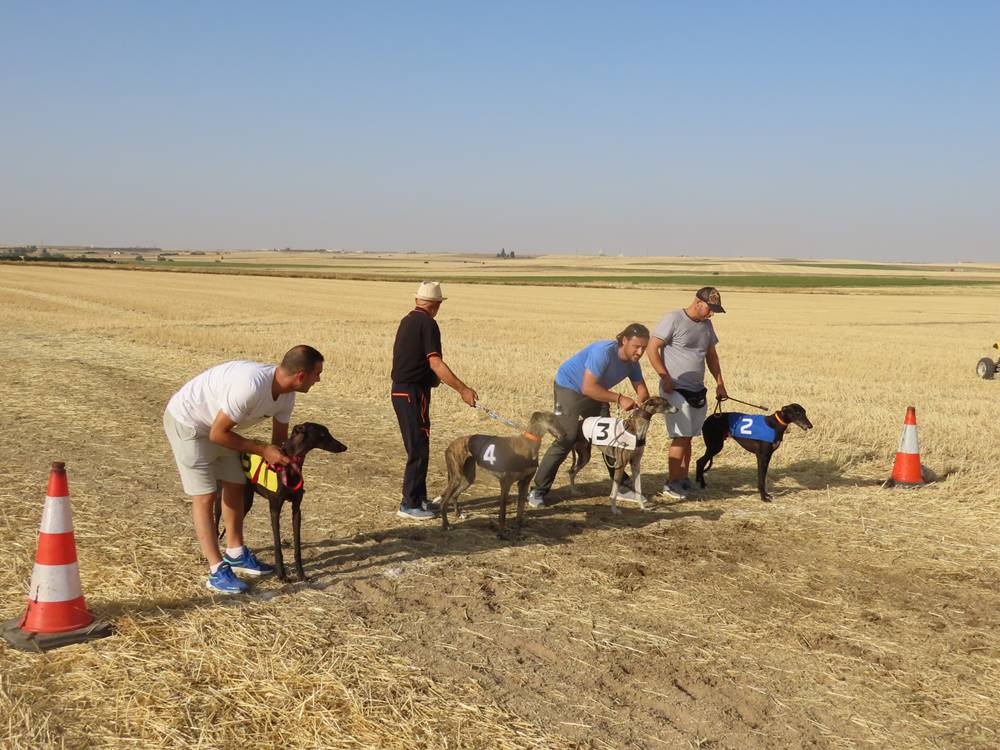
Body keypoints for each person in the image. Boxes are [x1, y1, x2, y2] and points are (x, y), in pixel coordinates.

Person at [163, 345, 325, 594]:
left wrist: (288, 464)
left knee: (236, 482)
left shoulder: (287, 395)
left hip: (221, 428)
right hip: (189, 422)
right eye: (317, 374)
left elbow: (278, 441)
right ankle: (216, 570)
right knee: (205, 496)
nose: (319, 380)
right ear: (301, 375)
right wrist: (261, 450)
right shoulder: (250, 386)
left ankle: (235, 552)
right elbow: (217, 434)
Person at [528, 324, 652, 508]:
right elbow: (588, 388)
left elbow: (642, 391)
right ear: (624, 340)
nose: (640, 352)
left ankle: (620, 486)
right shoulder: (603, 352)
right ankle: (538, 490)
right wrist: (619, 399)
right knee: (567, 437)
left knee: (612, 437)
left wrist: (642, 404)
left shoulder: (633, 363)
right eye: (637, 346)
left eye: (644, 347)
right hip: (569, 387)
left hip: (596, 392)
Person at [391, 281, 478, 520]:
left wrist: (431, 379)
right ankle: (409, 505)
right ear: (436, 304)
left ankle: (419, 499)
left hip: (401, 391)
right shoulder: (428, 323)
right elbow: (435, 362)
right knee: (418, 449)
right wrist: (463, 390)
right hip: (412, 393)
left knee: (418, 445)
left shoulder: (407, 320)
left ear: (418, 300)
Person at [647, 287, 727, 500]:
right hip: (674, 389)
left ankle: (682, 478)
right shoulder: (674, 318)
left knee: (689, 436)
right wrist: (664, 376)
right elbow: (652, 348)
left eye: (715, 310)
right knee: (680, 436)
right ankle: (671, 483)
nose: (712, 314)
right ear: (698, 302)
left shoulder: (707, 325)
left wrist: (720, 383)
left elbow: (712, 356)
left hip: (697, 389)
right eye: (710, 309)